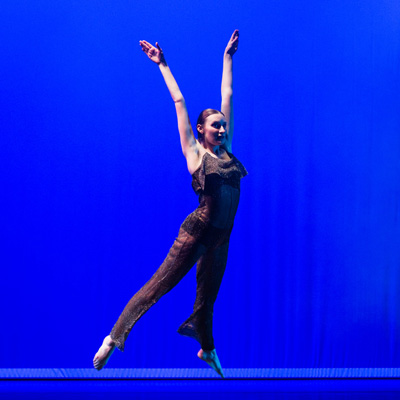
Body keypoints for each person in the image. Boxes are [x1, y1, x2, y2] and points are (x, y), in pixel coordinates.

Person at [93, 30, 246, 378]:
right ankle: (113, 338)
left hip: (221, 237)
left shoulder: (228, 150)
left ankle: (207, 350)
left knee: (207, 299)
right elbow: (179, 101)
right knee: (158, 286)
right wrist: (162, 65)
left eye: (224, 126)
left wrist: (228, 58)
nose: (222, 129)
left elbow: (227, 94)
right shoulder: (195, 154)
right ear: (201, 130)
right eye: (216, 126)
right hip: (197, 233)